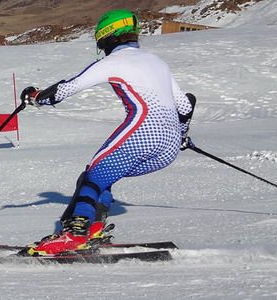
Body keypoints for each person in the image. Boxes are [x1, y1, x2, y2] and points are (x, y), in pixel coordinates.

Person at [19, 9, 195, 256]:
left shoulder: (111, 62)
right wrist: (182, 134)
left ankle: (75, 234)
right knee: (104, 174)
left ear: (108, 37)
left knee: (91, 177)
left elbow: (67, 88)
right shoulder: (156, 61)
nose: (101, 48)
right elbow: (186, 105)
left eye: (101, 42)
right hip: (168, 146)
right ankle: (94, 229)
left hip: (143, 132)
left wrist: (36, 97)